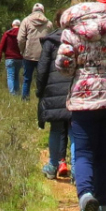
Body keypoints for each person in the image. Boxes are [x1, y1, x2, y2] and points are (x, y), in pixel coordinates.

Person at [56, 0, 106, 211]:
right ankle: (103, 208)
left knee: (84, 153)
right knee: (104, 155)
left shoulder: (71, 31)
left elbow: (64, 65)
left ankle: (86, 195)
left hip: (83, 99)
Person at [36, 23, 75, 180]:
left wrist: (40, 91)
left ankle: (53, 166)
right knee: (75, 132)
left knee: (56, 129)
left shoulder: (50, 42)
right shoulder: (79, 38)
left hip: (53, 91)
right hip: (75, 90)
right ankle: (78, 171)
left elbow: (42, 69)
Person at [19, 3, 53, 98]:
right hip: (43, 55)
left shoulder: (26, 21)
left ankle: (25, 99)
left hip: (29, 54)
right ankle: (42, 98)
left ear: (32, 11)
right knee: (42, 79)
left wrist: (23, 50)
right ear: (43, 11)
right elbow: (51, 40)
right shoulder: (48, 23)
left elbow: (20, 39)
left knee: (27, 79)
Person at [0, 20, 27, 97]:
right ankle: (17, 93)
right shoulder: (23, 34)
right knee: (16, 76)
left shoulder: (7, 34)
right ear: (20, 25)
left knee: (10, 76)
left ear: (12, 25)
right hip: (19, 58)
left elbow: (1, 46)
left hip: (10, 58)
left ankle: (12, 94)